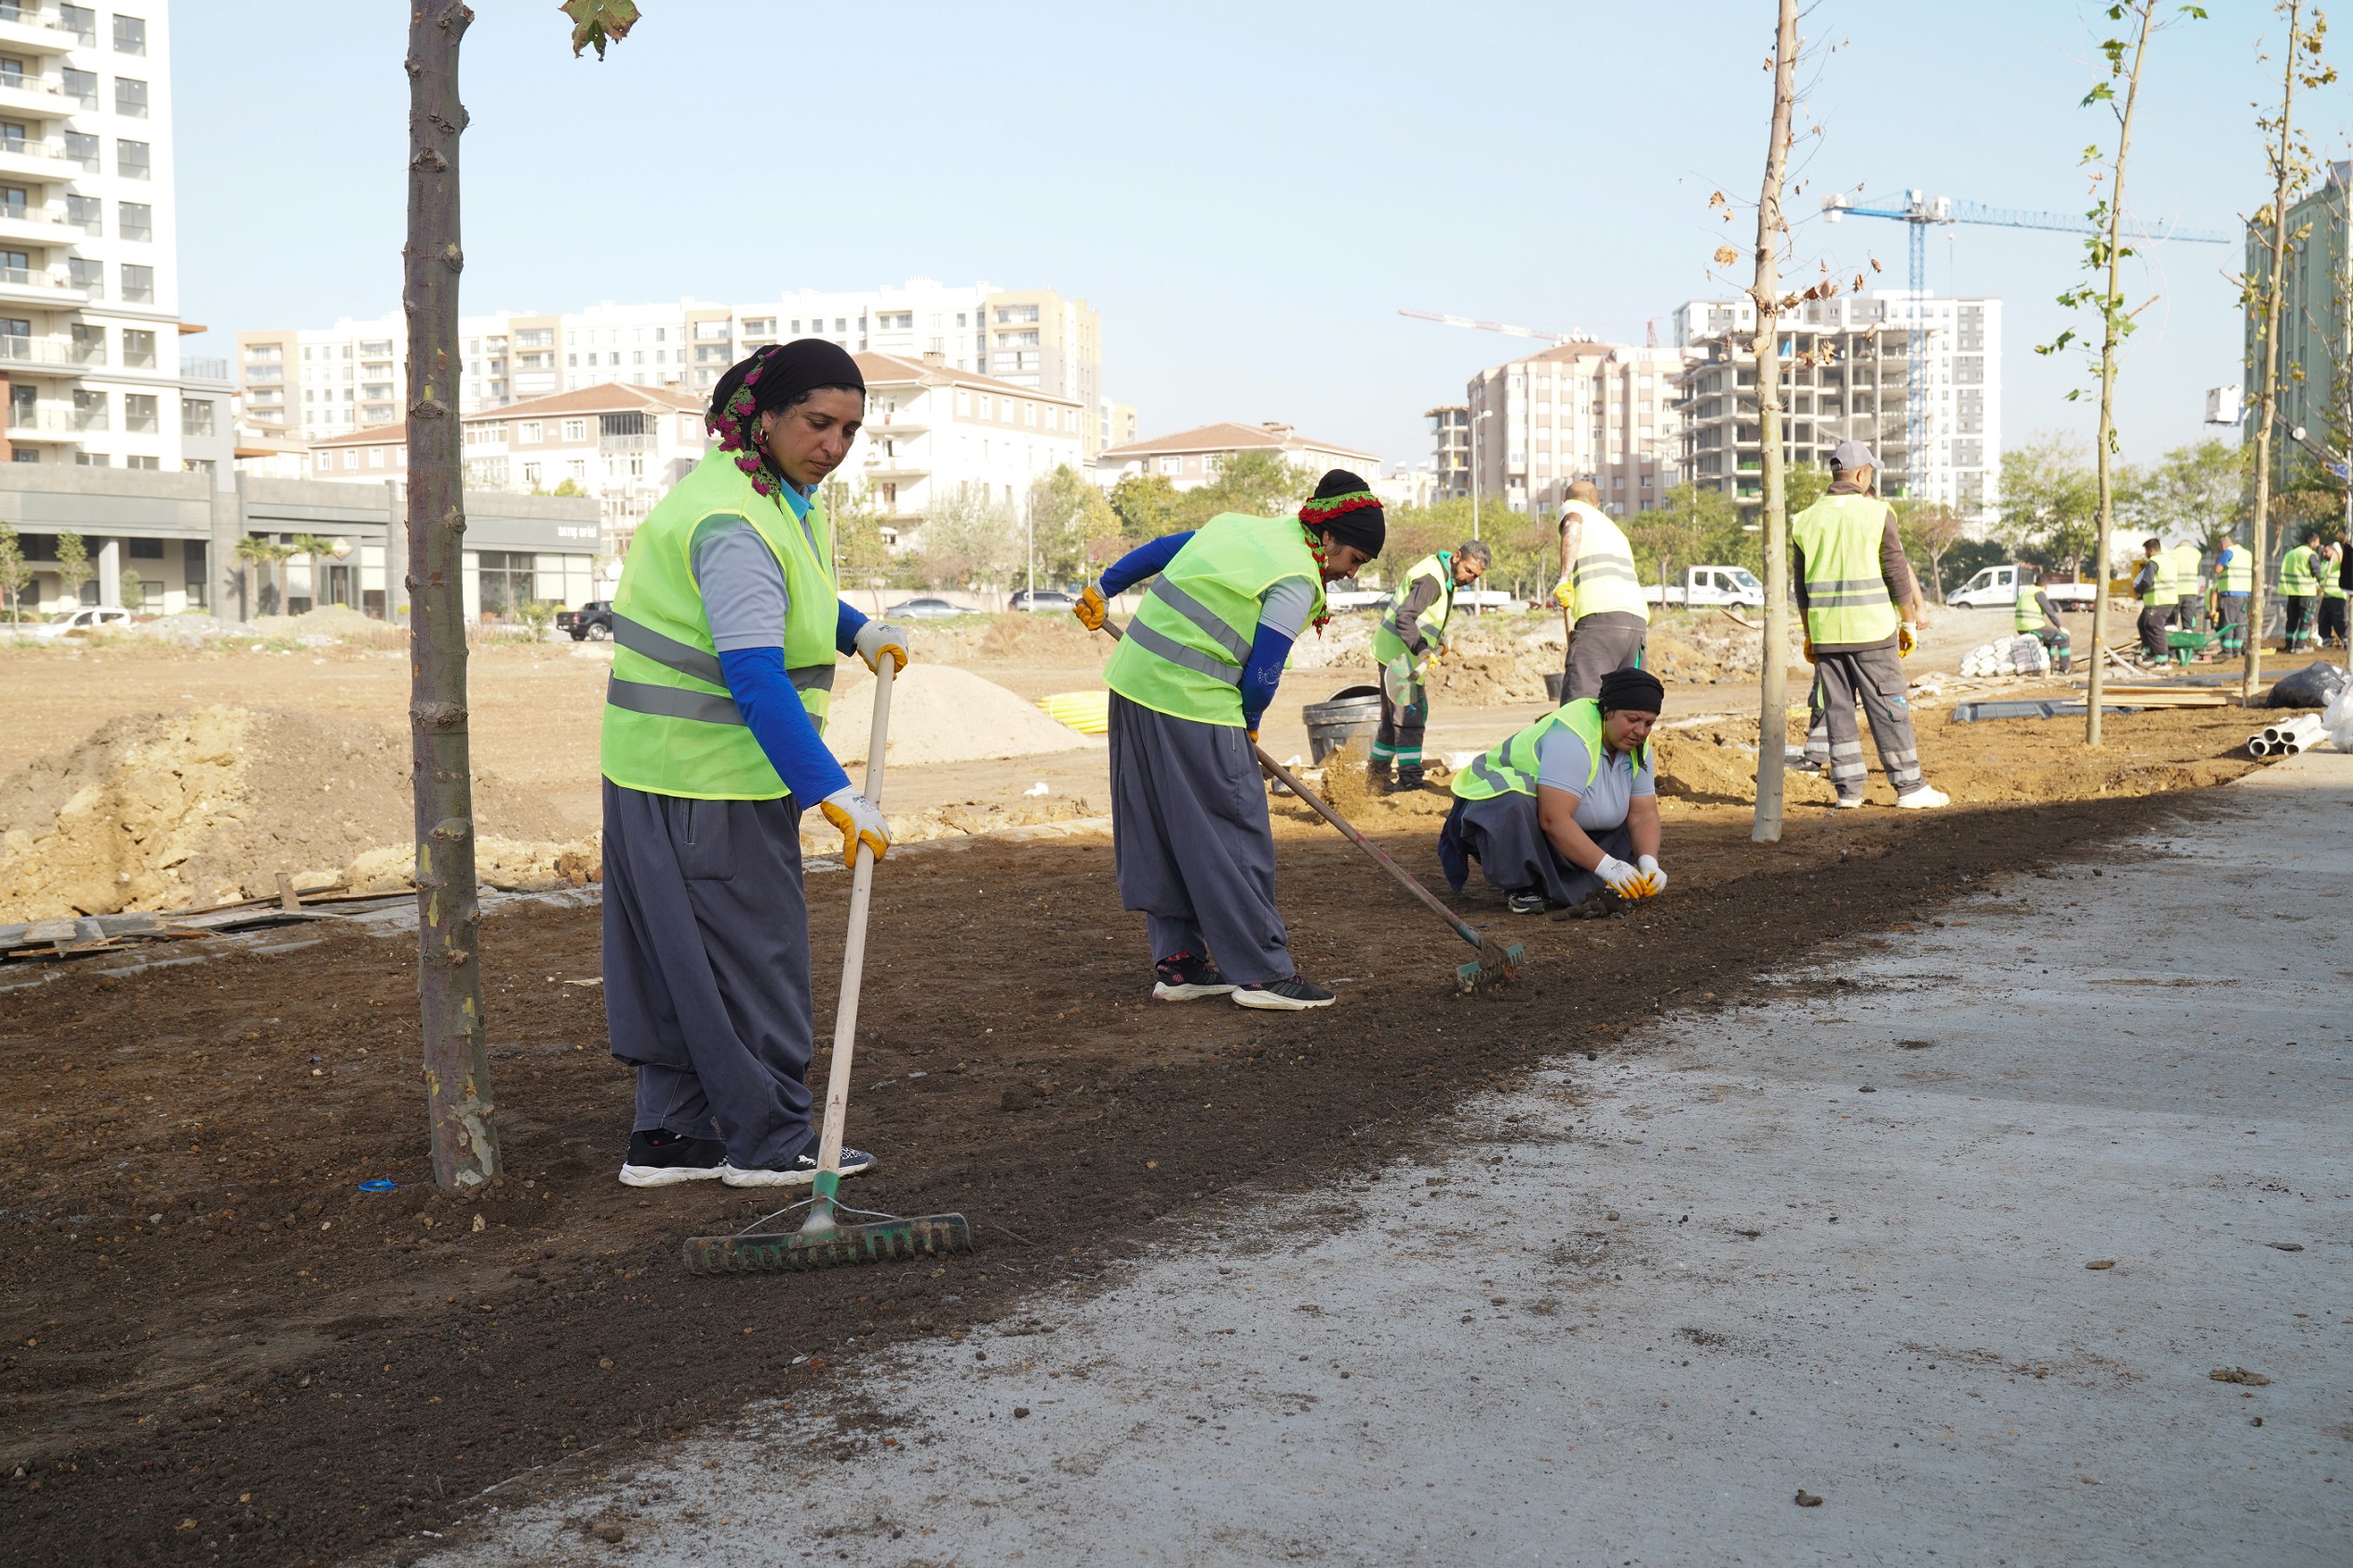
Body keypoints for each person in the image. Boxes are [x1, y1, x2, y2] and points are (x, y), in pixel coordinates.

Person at [601, 341, 909, 1190]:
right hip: (713, 778)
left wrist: (854, 628)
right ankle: (770, 1141)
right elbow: (752, 672)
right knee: (750, 962)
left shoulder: (755, 496)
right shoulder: (737, 519)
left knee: (678, 959)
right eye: (818, 422)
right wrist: (832, 790)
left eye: (851, 429)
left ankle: (672, 1135)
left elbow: (778, 598)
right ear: (763, 416)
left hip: (660, 771)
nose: (836, 445)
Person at [1074, 469, 1384, 1011]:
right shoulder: (1299, 577)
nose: (1350, 574)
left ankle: (1180, 965)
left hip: (1131, 687)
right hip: (1195, 703)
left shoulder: (1239, 527)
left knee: (1159, 828)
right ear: (1330, 537)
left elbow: (1161, 551)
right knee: (1235, 830)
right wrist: (1251, 720)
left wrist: (1104, 588)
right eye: (1354, 560)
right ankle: (1263, 974)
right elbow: (1264, 670)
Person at [1790, 440, 1948, 809]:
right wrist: (1908, 622)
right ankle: (1909, 787)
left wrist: (1810, 634)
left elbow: (1800, 589)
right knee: (1888, 705)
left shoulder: (1805, 519)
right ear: (1862, 474)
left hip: (1827, 634)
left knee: (1839, 709)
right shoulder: (1877, 513)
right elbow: (1896, 572)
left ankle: (1848, 792)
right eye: (1871, 472)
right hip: (1872, 632)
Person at [1438, 667, 1667, 917]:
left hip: (1571, 827)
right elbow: (1553, 818)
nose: (1641, 731)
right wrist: (1608, 867)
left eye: (1649, 723)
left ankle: (1571, 880)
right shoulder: (1571, 737)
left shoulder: (1638, 748)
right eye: (1632, 720)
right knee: (1515, 803)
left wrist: (1648, 861)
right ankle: (1523, 885)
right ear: (1608, 712)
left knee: (1620, 818)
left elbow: (1643, 814)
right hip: (1503, 817)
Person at [1367, 538, 1491, 793]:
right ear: (1457, 557)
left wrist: (1436, 641)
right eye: (1468, 571)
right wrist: (1422, 649)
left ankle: (1376, 776)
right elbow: (1405, 618)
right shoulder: (1432, 580)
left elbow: (1423, 617)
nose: (1470, 579)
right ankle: (1410, 780)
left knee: (1392, 722)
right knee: (1410, 717)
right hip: (1400, 659)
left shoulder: (1442, 574)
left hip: (1399, 655)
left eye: (1475, 576)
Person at [1553, 479, 1650, 698]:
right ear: (1598, 505)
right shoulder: (1615, 531)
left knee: (1581, 705)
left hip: (1600, 620)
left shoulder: (1573, 509)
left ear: (1564, 501)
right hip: (1636, 626)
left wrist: (1564, 578)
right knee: (1625, 706)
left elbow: (1572, 524)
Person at [2012, 565, 2072, 673]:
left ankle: (2050, 667)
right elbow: (2049, 611)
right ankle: (2064, 669)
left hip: (2021, 627)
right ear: (2046, 586)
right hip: (2033, 626)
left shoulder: (2027, 592)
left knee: (2050, 640)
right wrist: (2060, 627)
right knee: (2063, 638)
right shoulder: (2039, 593)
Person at [2132, 538, 2176, 663]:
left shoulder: (2153, 562)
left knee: (2155, 627)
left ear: (2151, 550)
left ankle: (2162, 659)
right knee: (2142, 623)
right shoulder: (2169, 561)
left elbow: (2147, 581)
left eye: (2146, 551)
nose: (2145, 554)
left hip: (2159, 601)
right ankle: (2150, 651)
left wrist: (2138, 590)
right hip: (2168, 599)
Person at [2279, 536, 2321, 652]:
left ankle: (2289, 646)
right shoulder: (2310, 554)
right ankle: (2300, 646)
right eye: (2318, 542)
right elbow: (2316, 572)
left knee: (2292, 619)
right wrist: (2320, 581)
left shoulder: (2290, 554)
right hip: (2306, 592)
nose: (2318, 545)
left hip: (2292, 592)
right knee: (2306, 619)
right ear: (2312, 542)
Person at [2213, 535, 2253, 657]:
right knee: (2239, 622)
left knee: (2227, 623)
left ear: (2223, 545)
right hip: (2244, 594)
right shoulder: (2247, 554)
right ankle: (2237, 650)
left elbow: (2218, 569)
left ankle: (2227, 650)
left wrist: (2217, 562)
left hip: (2230, 593)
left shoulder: (2228, 552)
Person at [2168, 539, 2205, 634]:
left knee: (2171, 622)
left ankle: (2171, 644)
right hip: (2191, 591)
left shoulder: (2172, 554)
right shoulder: (2196, 554)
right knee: (2188, 620)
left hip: (2174, 592)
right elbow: (2199, 572)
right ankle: (2187, 643)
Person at [2318, 540, 2349, 649]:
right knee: (2323, 621)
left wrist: (2339, 551)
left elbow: (2345, 564)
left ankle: (2347, 641)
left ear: (2334, 551)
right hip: (2324, 597)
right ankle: (2326, 641)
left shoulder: (2338, 562)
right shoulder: (2323, 564)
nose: (2324, 554)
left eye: (2327, 551)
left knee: (2339, 621)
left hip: (2337, 597)